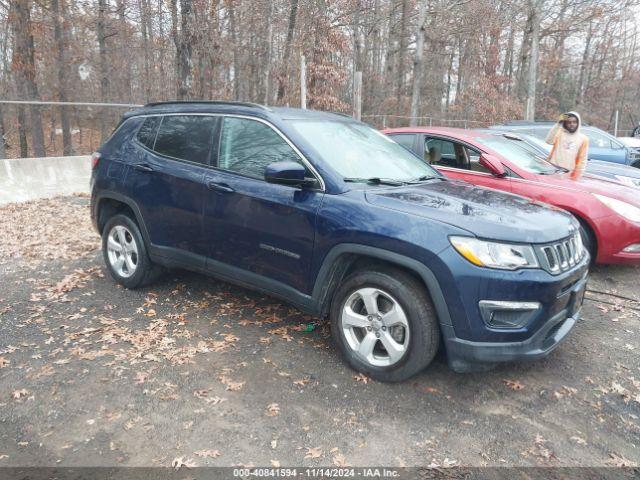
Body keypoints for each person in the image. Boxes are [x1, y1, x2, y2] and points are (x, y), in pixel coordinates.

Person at [545, 111, 589, 180]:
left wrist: (578, 176)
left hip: (569, 175)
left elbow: (583, 159)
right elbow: (548, 141)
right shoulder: (559, 133)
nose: (572, 124)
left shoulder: (583, 139)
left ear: (578, 123)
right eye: (569, 122)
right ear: (565, 123)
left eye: (574, 122)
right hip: (553, 171)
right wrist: (558, 124)